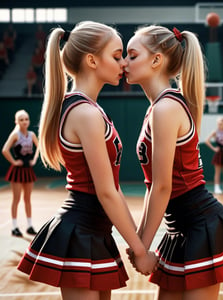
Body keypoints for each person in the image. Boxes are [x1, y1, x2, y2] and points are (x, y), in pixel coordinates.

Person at [17, 21, 157, 300]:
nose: (123, 64)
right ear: (91, 60)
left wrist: (137, 243)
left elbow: (113, 188)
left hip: (95, 232)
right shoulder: (84, 113)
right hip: (79, 232)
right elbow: (106, 192)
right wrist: (140, 251)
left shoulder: (88, 108)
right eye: (116, 56)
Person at [125, 25, 223, 300]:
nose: (124, 62)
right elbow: (153, 186)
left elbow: (163, 187)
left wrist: (143, 247)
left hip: (201, 226)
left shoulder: (166, 107)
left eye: (131, 55)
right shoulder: (157, 107)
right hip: (180, 230)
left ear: (156, 60)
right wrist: (139, 243)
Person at [2, 109, 39, 237]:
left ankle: (29, 226)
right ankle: (14, 226)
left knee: (27, 199)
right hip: (17, 170)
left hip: (28, 169)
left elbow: (39, 146)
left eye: (26, 119)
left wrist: (34, 159)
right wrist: (13, 161)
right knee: (16, 199)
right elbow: (5, 150)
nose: (24, 122)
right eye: (21, 119)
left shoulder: (32, 134)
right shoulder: (15, 135)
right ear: (16, 121)